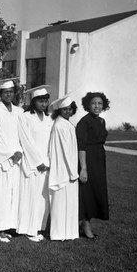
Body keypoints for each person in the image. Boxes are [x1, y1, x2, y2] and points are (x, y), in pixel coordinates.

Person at [0, 78, 23, 243]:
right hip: (1, 160)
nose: (9, 94)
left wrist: (20, 151)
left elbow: (23, 135)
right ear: (0, 94)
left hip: (16, 159)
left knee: (11, 195)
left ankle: (7, 226)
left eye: (11, 91)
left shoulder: (19, 112)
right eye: (5, 92)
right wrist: (9, 153)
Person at [17, 85, 53, 242]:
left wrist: (48, 161)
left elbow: (52, 141)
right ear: (33, 101)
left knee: (42, 198)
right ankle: (28, 229)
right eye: (40, 101)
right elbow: (26, 141)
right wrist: (38, 161)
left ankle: (39, 227)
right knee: (30, 196)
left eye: (45, 101)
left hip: (46, 163)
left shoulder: (49, 119)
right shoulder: (25, 117)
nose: (43, 104)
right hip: (32, 163)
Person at [76, 92, 110, 239]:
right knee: (87, 193)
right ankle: (85, 224)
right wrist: (83, 168)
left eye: (100, 104)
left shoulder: (101, 121)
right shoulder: (84, 122)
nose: (97, 106)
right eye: (94, 103)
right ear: (88, 105)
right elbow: (81, 146)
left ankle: (84, 223)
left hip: (99, 160)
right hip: (87, 159)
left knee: (97, 191)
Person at [48, 94, 79, 241]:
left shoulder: (67, 124)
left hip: (68, 168)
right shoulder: (60, 126)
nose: (67, 111)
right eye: (64, 109)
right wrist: (73, 173)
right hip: (64, 169)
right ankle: (59, 233)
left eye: (70, 109)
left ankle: (69, 233)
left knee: (70, 202)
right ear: (59, 110)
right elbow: (66, 152)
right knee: (60, 202)